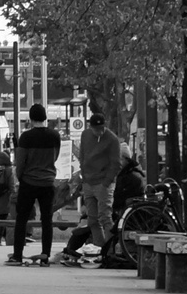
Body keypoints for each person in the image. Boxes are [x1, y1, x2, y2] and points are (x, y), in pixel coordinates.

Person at [56, 112, 122, 264]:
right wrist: (84, 176)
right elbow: (83, 155)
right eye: (95, 128)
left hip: (103, 183)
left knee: (105, 216)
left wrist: (106, 182)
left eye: (101, 128)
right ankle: (99, 249)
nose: (98, 131)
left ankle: (109, 251)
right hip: (89, 182)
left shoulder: (112, 139)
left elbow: (115, 163)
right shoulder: (86, 135)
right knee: (92, 219)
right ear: (91, 127)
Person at [7, 103, 62, 266]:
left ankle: (17, 255)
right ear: (45, 117)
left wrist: (20, 177)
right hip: (48, 182)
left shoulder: (26, 137)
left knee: (21, 219)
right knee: (47, 220)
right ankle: (45, 255)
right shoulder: (55, 136)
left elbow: (20, 161)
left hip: (29, 182)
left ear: (31, 118)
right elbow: (56, 155)